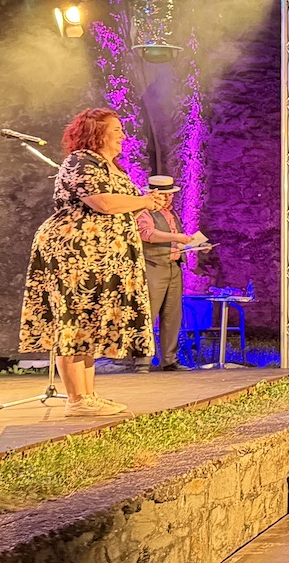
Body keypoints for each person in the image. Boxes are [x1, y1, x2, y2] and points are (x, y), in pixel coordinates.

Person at [17, 109, 168, 416]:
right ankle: (76, 399)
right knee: (74, 321)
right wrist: (143, 201)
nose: (122, 135)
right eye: (116, 130)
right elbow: (102, 202)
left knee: (89, 322)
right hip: (76, 253)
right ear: (96, 133)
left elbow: (122, 205)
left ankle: (88, 394)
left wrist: (148, 202)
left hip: (102, 257)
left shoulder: (111, 167)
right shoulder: (80, 161)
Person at [132, 174, 198, 370]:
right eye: (164, 195)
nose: (168, 198)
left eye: (170, 195)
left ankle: (169, 360)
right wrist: (177, 237)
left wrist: (194, 245)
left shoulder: (171, 214)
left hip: (173, 267)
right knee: (148, 313)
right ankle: (142, 361)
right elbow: (147, 234)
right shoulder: (144, 212)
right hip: (154, 266)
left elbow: (175, 240)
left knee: (172, 316)